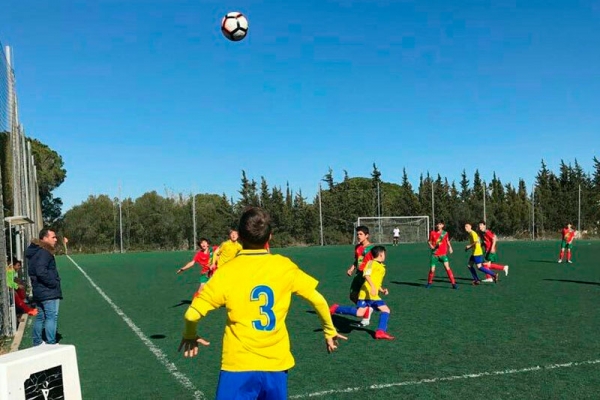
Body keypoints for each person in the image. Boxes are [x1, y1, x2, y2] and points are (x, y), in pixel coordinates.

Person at [178, 207, 346, 399]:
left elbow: (191, 314)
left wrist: (190, 334)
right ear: (270, 237)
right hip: (276, 364)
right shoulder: (284, 266)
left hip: (237, 365)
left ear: (239, 236)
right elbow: (318, 299)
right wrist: (329, 330)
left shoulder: (226, 272)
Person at [330, 246, 395, 340]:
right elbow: (366, 274)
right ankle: (380, 332)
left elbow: (376, 282)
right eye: (384, 254)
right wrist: (372, 287)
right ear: (381, 254)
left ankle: (336, 308)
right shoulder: (370, 263)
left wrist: (382, 289)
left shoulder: (381, 267)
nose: (385, 256)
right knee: (386, 310)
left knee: (360, 313)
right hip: (367, 293)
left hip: (371, 294)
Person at [26, 228, 61, 346]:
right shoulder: (44, 252)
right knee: (51, 316)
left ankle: (37, 342)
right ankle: (50, 342)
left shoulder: (35, 251)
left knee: (41, 316)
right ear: (44, 238)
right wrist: (53, 283)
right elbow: (41, 271)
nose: (56, 239)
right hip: (47, 291)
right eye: (53, 237)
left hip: (39, 290)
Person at [346, 226, 374, 326]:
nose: (358, 236)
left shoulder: (372, 248)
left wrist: (368, 274)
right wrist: (351, 268)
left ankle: (366, 317)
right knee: (352, 295)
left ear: (367, 235)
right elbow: (357, 260)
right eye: (357, 234)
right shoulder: (357, 247)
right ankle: (367, 310)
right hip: (358, 274)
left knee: (363, 297)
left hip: (366, 275)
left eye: (361, 234)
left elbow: (372, 262)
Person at [425, 220, 458, 289]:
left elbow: (447, 241)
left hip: (443, 254)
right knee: (432, 270)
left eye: (440, 224)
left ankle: (453, 283)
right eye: (437, 224)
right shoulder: (432, 233)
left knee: (447, 268)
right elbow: (429, 241)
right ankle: (429, 283)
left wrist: (450, 247)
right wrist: (430, 245)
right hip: (434, 254)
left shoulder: (445, 233)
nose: (438, 225)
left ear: (442, 225)